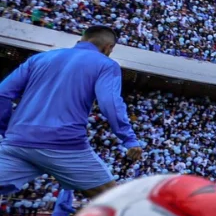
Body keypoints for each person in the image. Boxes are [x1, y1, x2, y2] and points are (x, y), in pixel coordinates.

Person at [0, 25, 143, 201]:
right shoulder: (106, 64)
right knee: (116, 201)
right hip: (64, 145)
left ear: (80, 40)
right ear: (108, 48)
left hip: (17, 143)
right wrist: (128, 138)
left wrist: (6, 129)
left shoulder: (39, 59)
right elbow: (110, 104)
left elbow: (2, 94)